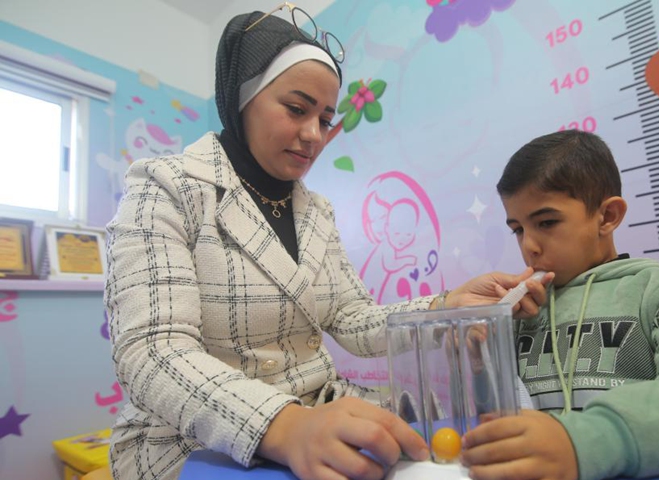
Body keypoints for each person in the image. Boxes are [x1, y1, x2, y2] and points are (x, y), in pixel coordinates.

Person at [103, 7, 541, 480]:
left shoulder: (316, 212)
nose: (314, 135)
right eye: (297, 109)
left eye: (326, 119)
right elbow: (153, 353)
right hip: (190, 437)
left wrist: (444, 305)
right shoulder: (167, 187)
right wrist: (285, 427)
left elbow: (352, 319)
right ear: (243, 98)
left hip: (319, 406)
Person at [460, 130, 659, 480]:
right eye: (518, 230)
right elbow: (504, 418)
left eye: (546, 222)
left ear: (607, 216)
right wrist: (485, 358)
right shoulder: (521, 314)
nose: (529, 247)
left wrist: (585, 442)